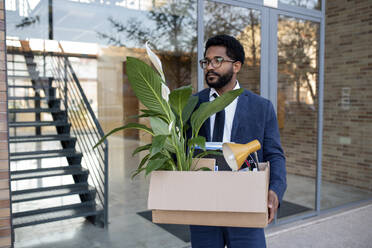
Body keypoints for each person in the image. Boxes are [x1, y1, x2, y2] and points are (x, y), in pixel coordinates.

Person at [190, 34, 287, 247]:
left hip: (245, 205)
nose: (209, 67)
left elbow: (275, 155)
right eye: (206, 61)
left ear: (236, 66)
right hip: (202, 207)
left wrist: (275, 190)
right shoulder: (191, 104)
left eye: (217, 61)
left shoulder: (261, 107)